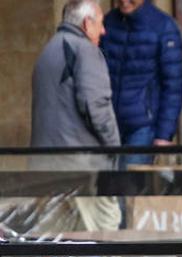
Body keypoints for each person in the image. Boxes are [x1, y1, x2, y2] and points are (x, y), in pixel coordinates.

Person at [30, 0, 122, 235]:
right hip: (81, 166)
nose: (103, 31)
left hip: (47, 166)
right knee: (107, 232)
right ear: (86, 23)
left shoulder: (48, 50)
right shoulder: (85, 50)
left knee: (57, 240)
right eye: (100, 23)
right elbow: (96, 107)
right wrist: (114, 148)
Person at [99, 0, 182, 166]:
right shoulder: (108, 23)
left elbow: (173, 87)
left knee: (130, 186)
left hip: (143, 127)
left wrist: (164, 135)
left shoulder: (164, 27)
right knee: (107, 187)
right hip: (108, 125)